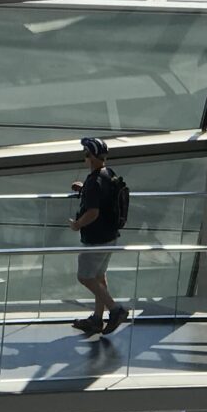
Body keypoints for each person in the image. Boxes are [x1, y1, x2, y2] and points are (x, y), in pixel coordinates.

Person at [68, 136, 129, 336]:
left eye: (86, 154)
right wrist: (83, 188)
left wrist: (77, 224)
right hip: (110, 236)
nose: (84, 158)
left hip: (96, 240)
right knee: (99, 276)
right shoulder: (108, 174)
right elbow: (102, 196)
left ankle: (115, 309)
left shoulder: (94, 181)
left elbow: (93, 212)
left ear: (91, 156)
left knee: (85, 277)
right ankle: (96, 319)